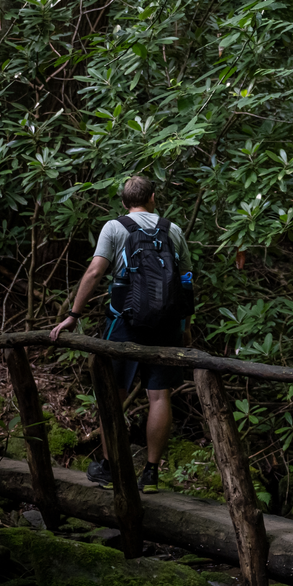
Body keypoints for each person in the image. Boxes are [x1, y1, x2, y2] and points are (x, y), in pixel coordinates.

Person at [49, 175, 192, 493]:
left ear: (124, 202)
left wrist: (73, 315)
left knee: (111, 394)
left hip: (124, 322)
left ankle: (111, 467)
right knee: (159, 396)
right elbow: (185, 280)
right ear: (153, 198)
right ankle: (151, 473)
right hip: (167, 325)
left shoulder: (115, 227)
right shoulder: (174, 230)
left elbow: (95, 271)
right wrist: (185, 327)